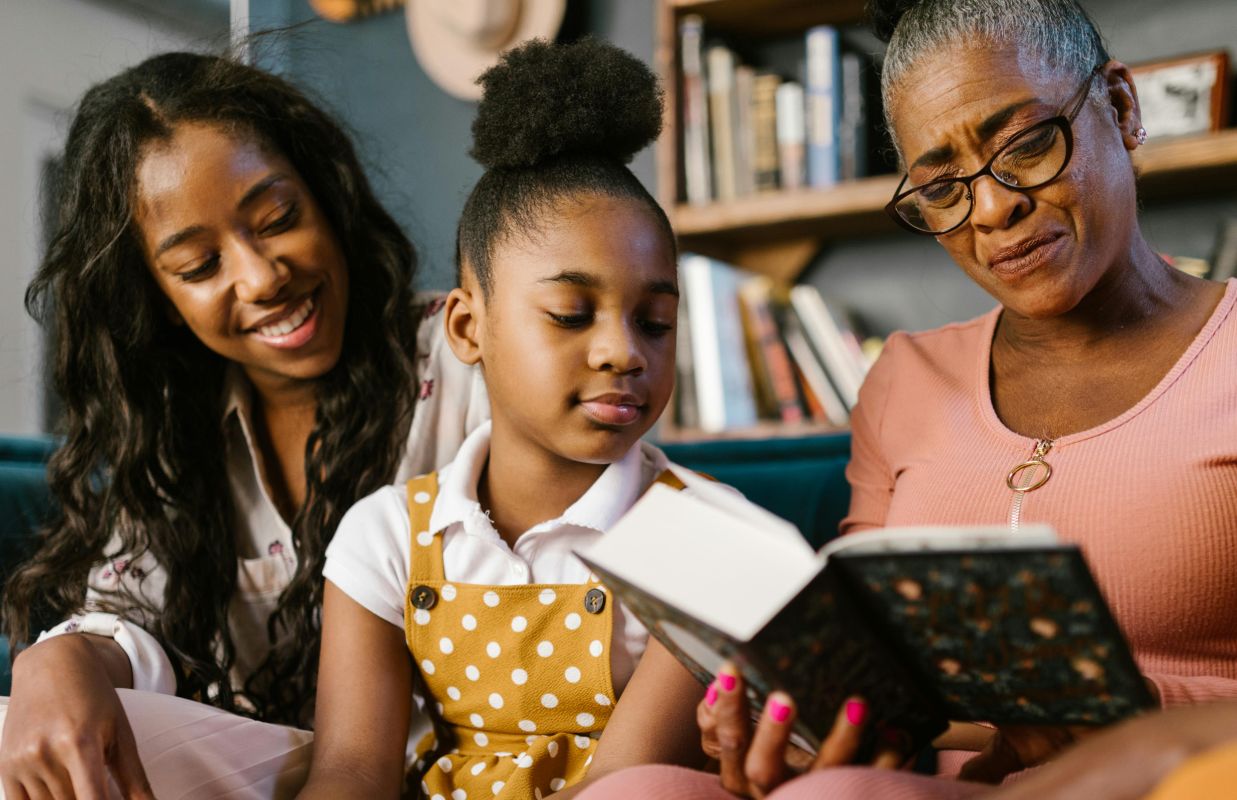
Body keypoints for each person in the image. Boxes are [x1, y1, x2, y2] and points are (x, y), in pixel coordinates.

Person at [575, 0, 1237, 796]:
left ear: (1121, 108)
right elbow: (888, 677)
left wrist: (1139, 724)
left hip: (1175, 777)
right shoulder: (906, 376)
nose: (992, 210)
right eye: (941, 188)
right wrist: (813, 724)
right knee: (636, 791)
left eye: (1027, 147)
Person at [0, 52, 486, 799]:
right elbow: (125, 619)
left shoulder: (469, 354)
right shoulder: (174, 435)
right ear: (161, 297)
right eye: (198, 266)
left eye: (278, 218)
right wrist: (55, 661)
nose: (261, 278)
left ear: (326, 197)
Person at [297, 36, 740, 800]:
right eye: (571, 315)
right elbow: (350, 769)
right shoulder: (386, 536)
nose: (623, 352)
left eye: (655, 322)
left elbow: (620, 781)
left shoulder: (704, 535)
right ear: (467, 331)